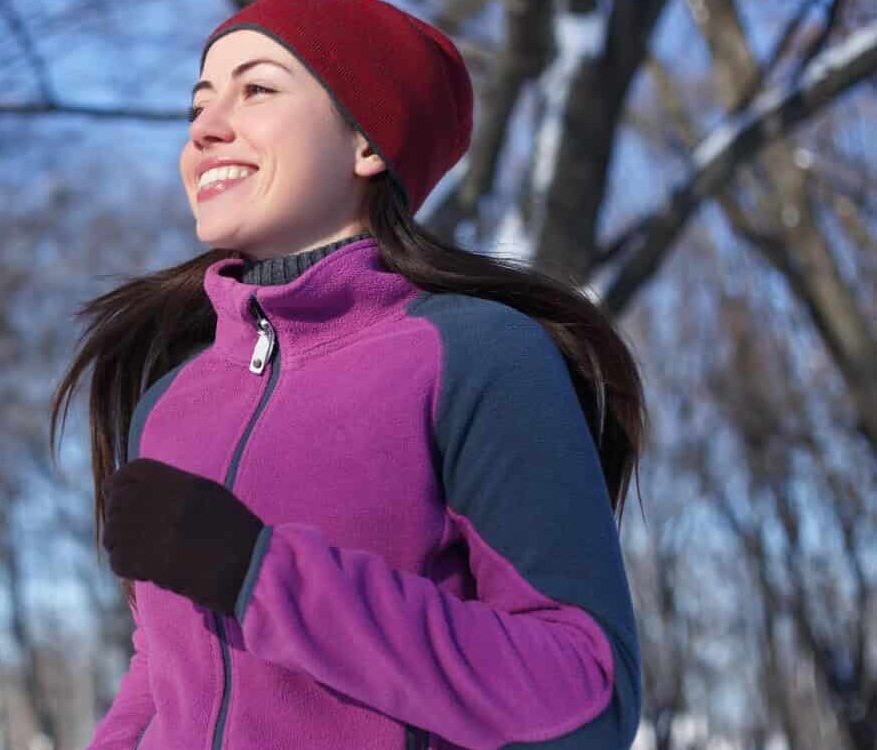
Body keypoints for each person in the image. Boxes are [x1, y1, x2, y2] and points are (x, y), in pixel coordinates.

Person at [49, 1, 647, 748]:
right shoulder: (170, 405)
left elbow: (588, 696)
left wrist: (260, 575)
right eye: (198, 105)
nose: (203, 128)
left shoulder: (477, 356)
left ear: (367, 140)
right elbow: (159, 673)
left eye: (257, 90)